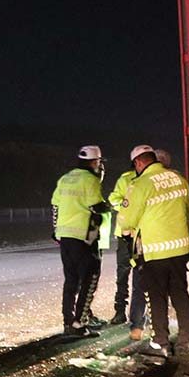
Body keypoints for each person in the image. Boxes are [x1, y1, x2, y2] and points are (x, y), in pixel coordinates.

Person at [118, 145, 189, 356]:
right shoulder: (179, 179)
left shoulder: (140, 184)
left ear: (139, 163)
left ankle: (160, 342)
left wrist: (127, 232)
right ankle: (186, 339)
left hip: (154, 250)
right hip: (180, 248)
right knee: (180, 293)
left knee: (157, 296)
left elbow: (127, 219)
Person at [51, 145, 111, 338]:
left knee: (70, 281)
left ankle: (68, 322)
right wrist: (110, 206)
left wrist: (56, 231)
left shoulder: (65, 178)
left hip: (65, 238)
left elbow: (55, 206)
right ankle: (80, 323)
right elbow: (96, 207)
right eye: (99, 162)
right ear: (95, 162)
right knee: (90, 279)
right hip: (84, 239)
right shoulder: (90, 180)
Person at [108, 164, 146, 334]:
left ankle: (140, 316)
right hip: (125, 234)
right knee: (122, 274)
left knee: (142, 276)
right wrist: (125, 204)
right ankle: (119, 311)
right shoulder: (125, 179)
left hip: (144, 234)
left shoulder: (150, 180)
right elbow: (113, 199)